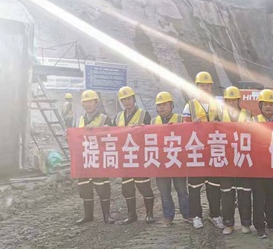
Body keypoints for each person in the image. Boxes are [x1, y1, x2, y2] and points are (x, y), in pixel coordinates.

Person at [182, 71, 223, 230]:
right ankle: (196, 216)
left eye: (207, 85)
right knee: (194, 187)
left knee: (214, 186)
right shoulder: (190, 105)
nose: (205, 88)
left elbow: (224, 124)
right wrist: (192, 124)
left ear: (211, 87)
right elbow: (183, 129)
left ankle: (215, 215)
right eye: (201, 85)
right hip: (196, 152)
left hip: (213, 150)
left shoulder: (217, 105)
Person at [114, 86, 155, 225]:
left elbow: (151, 134)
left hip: (139, 157)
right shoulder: (118, 117)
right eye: (124, 99)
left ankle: (150, 214)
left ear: (134, 99)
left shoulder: (144, 114)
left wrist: (143, 129)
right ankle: (131, 215)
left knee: (144, 186)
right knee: (127, 188)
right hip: (125, 158)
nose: (127, 102)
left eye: (129, 99)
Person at [152, 91, 191, 227]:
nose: (161, 107)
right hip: (161, 163)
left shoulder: (180, 119)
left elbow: (189, 135)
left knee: (182, 190)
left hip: (177, 161)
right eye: (159, 105)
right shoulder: (153, 122)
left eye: (164, 104)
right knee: (164, 192)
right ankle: (168, 216)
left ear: (171, 105)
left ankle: (187, 214)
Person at [75, 90, 114, 224]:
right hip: (84, 160)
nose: (88, 104)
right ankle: (88, 215)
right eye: (85, 102)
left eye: (90, 101)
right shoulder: (79, 121)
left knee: (102, 188)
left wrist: (105, 131)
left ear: (96, 103)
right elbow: (75, 140)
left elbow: (113, 139)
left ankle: (107, 216)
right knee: (84, 188)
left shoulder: (105, 119)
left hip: (99, 160)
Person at [219, 86, 253, 235]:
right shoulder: (219, 114)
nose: (231, 103)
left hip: (243, 158)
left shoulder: (248, 114)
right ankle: (228, 224)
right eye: (228, 100)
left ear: (239, 100)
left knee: (244, 192)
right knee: (227, 193)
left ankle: (245, 223)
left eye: (234, 100)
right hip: (226, 160)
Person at [252, 89, 273, 238]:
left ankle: (271, 220)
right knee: (259, 197)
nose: (268, 107)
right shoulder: (253, 121)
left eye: (271, 104)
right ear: (260, 105)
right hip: (259, 168)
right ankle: (259, 225)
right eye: (265, 104)